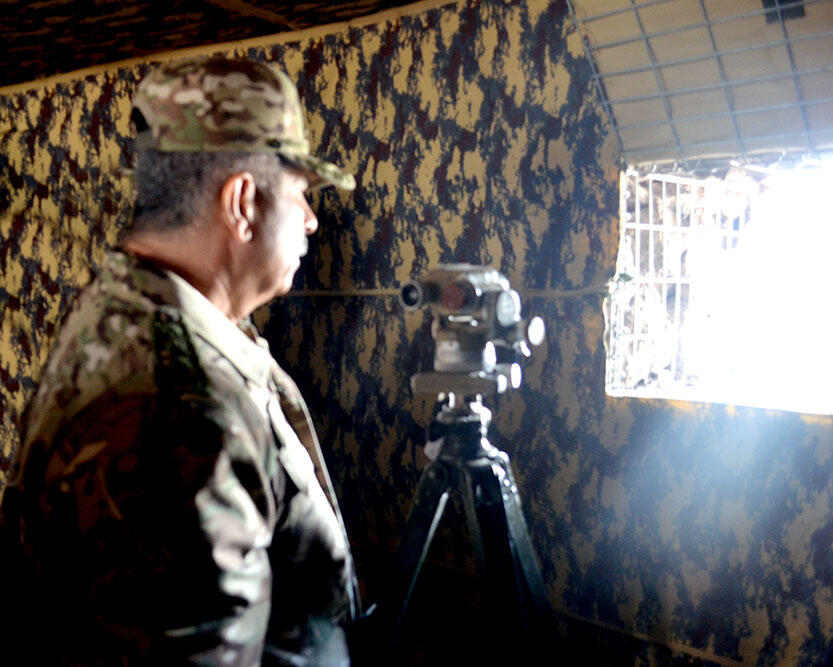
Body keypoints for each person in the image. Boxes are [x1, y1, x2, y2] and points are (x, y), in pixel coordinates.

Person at [1, 56, 360, 665]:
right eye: (300, 193)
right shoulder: (175, 409)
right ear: (242, 202)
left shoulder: (147, 312)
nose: (311, 219)